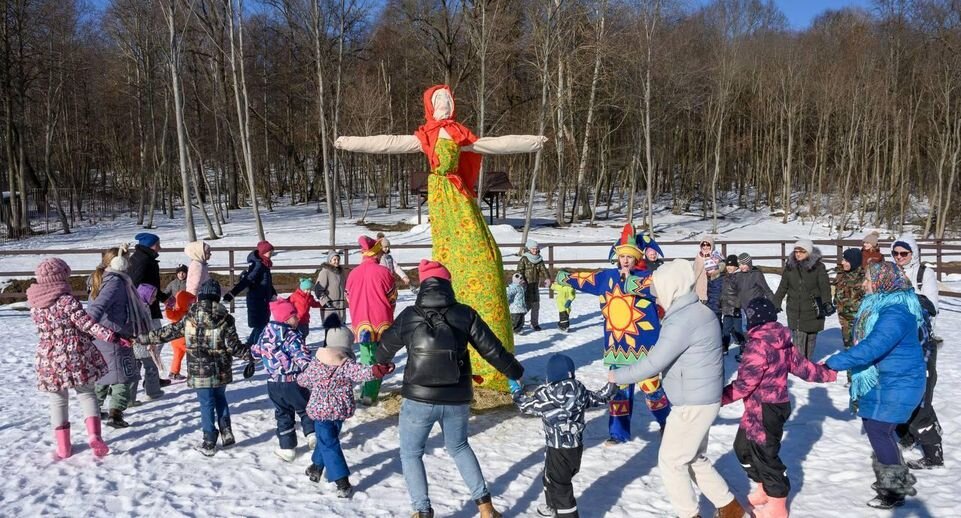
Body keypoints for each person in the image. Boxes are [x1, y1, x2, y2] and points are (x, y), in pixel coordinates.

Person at [335, 85, 545, 393]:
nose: (444, 105)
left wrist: (534, 142)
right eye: (438, 101)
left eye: (448, 100)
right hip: (443, 197)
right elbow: (388, 143)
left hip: (460, 197)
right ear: (430, 107)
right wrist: (347, 143)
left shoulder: (461, 135)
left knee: (485, 262)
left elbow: (496, 144)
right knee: (452, 261)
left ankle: (493, 364)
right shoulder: (426, 137)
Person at [376, 259, 524, 518]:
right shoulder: (465, 313)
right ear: (448, 283)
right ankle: (486, 508)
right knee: (459, 448)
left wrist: (382, 363)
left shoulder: (410, 315)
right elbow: (492, 350)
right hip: (457, 397)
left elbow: (383, 350)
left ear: (423, 285)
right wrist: (515, 372)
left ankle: (422, 511)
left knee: (411, 454)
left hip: (418, 397)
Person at [611, 259, 746, 518]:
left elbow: (653, 362)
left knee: (671, 461)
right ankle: (731, 509)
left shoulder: (682, 320)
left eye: (661, 290)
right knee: (694, 458)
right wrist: (629, 283)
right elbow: (653, 288)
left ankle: (688, 514)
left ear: (672, 288)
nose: (658, 297)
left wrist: (617, 375)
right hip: (701, 398)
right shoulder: (698, 310)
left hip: (692, 404)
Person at [722, 297, 837, 518]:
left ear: (754, 319)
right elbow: (803, 367)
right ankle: (764, 488)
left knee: (766, 456)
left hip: (767, 408)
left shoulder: (759, 344)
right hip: (761, 408)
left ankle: (777, 504)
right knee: (742, 448)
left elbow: (745, 384)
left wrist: (718, 398)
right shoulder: (780, 339)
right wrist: (826, 373)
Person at [825, 262, 926, 509]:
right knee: (876, 428)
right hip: (886, 380)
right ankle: (894, 479)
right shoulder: (883, 306)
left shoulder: (895, 313)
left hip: (898, 382)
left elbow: (872, 347)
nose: (864, 283)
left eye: (869, 279)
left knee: (880, 431)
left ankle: (894, 489)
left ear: (883, 282)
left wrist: (835, 362)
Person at [558, 223, 669, 444]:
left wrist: (629, 281)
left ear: (636, 258)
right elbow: (586, 279)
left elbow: (655, 289)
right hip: (617, 347)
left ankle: (668, 423)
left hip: (644, 347)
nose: (625, 260)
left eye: (630, 256)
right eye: (622, 256)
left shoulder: (649, 278)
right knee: (618, 392)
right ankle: (618, 433)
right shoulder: (607, 278)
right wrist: (566, 277)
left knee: (652, 389)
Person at [27, 258, 132, 459]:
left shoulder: (34, 304)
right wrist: (114, 337)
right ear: (61, 277)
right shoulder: (66, 300)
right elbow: (87, 325)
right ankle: (94, 436)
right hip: (76, 352)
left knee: (57, 399)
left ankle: (63, 447)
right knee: (86, 393)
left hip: (48, 355)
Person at [139, 279, 253, 456]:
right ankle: (226, 431)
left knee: (206, 403)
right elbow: (233, 346)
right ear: (217, 297)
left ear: (200, 297)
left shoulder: (189, 318)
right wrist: (249, 355)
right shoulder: (226, 319)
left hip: (199, 370)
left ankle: (209, 439)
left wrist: (143, 338)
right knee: (220, 398)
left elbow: (167, 333)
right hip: (221, 368)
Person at [299, 317, 395, 498]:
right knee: (327, 439)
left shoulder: (316, 364)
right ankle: (316, 467)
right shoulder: (346, 364)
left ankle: (341, 481)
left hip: (321, 412)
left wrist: (303, 379)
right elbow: (363, 372)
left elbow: (302, 380)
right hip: (340, 411)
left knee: (329, 442)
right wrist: (379, 370)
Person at [512, 354, 617, 518]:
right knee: (549, 476)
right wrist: (613, 382)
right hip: (575, 449)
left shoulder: (548, 394)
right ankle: (550, 507)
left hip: (558, 450)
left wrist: (516, 391)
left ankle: (565, 513)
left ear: (550, 375)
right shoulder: (579, 390)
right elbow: (601, 397)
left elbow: (526, 406)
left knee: (561, 488)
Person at [890, 234, 943, 469]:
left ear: (914, 254)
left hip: (920, 344)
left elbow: (932, 306)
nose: (899, 258)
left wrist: (904, 297)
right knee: (899, 394)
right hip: (897, 342)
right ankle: (909, 435)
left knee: (919, 397)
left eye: (904, 253)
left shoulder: (924, 274)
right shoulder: (890, 271)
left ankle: (933, 452)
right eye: (895, 253)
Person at [88, 246, 154, 428]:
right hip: (114, 337)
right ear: (119, 262)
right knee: (122, 378)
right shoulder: (115, 282)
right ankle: (115, 415)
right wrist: (87, 325)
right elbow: (97, 308)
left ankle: (93, 410)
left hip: (107, 336)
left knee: (104, 376)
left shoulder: (108, 279)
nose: (130, 263)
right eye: (127, 259)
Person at [250, 299, 315, 462]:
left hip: (273, 384)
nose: (298, 318)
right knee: (306, 408)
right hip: (292, 381)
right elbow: (301, 355)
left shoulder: (265, 332)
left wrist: (253, 356)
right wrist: (311, 370)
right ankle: (313, 435)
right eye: (294, 315)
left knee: (283, 414)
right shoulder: (291, 335)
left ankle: (287, 448)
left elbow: (256, 351)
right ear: (285, 318)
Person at [345, 235, 397, 405]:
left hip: (360, 323)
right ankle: (370, 393)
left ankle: (366, 389)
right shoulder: (384, 273)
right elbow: (392, 298)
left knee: (366, 355)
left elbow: (348, 297)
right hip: (381, 322)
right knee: (380, 357)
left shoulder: (353, 274)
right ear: (376, 254)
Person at [773, 239, 832, 360]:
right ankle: (799, 363)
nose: (798, 254)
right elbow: (783, 286)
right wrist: (775, 302)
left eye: (802, 251)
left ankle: (807, 362)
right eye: (796, 251)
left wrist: (827, 303)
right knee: (799, 337)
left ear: (809, 252)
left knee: (811, 337)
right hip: (796, 309)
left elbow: (824, 287)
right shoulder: (790, 267)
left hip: (813, 309)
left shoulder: (818, 267)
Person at [128, 233, 172, 390]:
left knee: (154, 341)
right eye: (157, 244)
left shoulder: (145, 258)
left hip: (149, 305)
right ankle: (148, 378)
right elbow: (134, 283)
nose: (159, 247)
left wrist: (163, 298)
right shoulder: (143, 261)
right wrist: (143, 302)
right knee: (155, 340)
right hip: (144, 309)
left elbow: (151, 285)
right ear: (149, 245)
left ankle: (151, 377)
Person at [223, 240, 277, 345]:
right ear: (263, 252)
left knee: (261, 326)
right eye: (269, 251)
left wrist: (273, 293)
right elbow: (246, 281)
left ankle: (250, 347)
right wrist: (232, 294)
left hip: (263, 300)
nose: (271, 253)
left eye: (271, 251)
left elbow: (267, 283)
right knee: (261, 326)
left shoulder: (265, 265)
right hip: (257, 301)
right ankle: (254, 349)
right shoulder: (259, 266)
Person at [130, 284, 163, 405]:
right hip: (144, 343)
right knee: (151, 368)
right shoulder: (144, 307)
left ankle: (130, 398)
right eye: (152, 296)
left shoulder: (133, 305)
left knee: (134, 371)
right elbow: (147, 325)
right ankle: (152, 392)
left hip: (134, 344)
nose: (154, 299)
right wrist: (151, 340)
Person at [516, 239, 551, 332]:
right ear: (529, 249)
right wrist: (521, 280)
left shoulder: (539, 259)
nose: (535, 250)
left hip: (535, 285)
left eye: (536, 249)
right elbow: (519, 271)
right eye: (533, 249)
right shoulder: (524, 259)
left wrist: (547, 278)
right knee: (525, 305)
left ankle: (534, 323)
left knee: (536, 305)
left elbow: (543, 270)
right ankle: (519, 323)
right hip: (526, 285)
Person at [834, 248, 865, 350]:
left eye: (846, 261)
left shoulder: (864, 278)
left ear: (854, 262)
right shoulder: (841, 274)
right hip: (844, 319)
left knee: (859, 345)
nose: (842, 262)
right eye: (843, 259)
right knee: (847, 345)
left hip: (858, 319)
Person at [164, 290, 196, 380]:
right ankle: (194, 372)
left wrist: (169, 307)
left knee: (177, 356)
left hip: (175, 341)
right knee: (193, 356)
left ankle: (174, 372)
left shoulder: (184, 312)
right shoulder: (179, 312)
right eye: (189, 304)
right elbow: (169, 315)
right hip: (184, 341)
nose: (190, 306)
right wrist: (168, 307)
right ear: (183, 302)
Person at [720, 255, 744, 355]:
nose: (729, 267)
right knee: (725, 329)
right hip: (726, 308)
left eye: (732, 265)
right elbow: (723, 293)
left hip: (735, 309)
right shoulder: (725, 277)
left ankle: (743, 345)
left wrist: (738, 306)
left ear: (736, 267)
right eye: (728, 265)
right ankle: (725, 347)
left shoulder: (739, 277)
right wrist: (720, 303)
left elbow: (741, 293)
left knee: (738, 329)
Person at [314, 251, 347, 323]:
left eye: (338, 259)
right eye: (334, 259)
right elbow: (318, 289)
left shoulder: (341, 273)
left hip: (340, 307)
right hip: (329, 308)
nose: (337, 261)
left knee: (340, 332)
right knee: (330, 332)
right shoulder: (325, 272)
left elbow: (345, 286)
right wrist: (325, 301)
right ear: (330, 260)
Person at [694, 235, 722, 303]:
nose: (705, 247)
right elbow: (695, 271)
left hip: (712, 288)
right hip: (698, 288)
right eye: (703, 245)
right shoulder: (698, 256)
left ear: (711, 245)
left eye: (708, 245)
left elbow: (721, 269)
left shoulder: (716, 256)